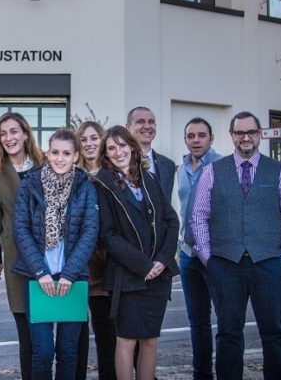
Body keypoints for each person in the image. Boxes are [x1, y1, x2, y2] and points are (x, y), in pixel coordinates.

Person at [190, 111, 281, 380]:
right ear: (232, 135)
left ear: (260, 135)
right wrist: (209, 258)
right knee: (228, 332)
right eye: (240, 132)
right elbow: (198, 217)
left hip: (270, 264)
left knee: (274, 332)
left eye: (251, 132)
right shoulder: (212, 171)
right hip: (225, 264)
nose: (246, 137)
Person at [93, 126, 179, 380]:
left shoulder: (147, 178)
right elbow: (107, 235)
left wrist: (163, 260)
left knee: (150, 340)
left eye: (122, 145)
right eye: (111, 148)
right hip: (128, 276)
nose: (118, 152)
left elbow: (171, 220)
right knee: (127, 340)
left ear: (132, 146)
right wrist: (144, 265)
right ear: (106, 155)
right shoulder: (103, 183)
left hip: (159, 276)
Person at [13, 129, 99, 380]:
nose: (60, 158)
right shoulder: (30, 184)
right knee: (42, 352)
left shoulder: (85, 187)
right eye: (55, 152)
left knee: (68, 351)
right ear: (47, 154)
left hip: (73, 279)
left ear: (75, 157)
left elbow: (89, 231)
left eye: (66, 153)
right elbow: (21, 229)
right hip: (38, 278)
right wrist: (40, 272)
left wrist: (70, 274)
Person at [0, 111, 46, 380]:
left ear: (26, 134)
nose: (9, 138)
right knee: (27, 334)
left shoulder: (47, 165)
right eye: (3, 133)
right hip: (17, 262)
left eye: (14, 131)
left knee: (54, 335)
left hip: (52, 258)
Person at [177, 117, 223, 380]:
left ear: (211, 138)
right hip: (187, 255)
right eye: (191, 136)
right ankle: (201, 375)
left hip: (215, 255)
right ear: (186, 139)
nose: (196, 140)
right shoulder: (180, 169)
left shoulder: (222, 166)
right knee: (198, 322)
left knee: (226, 320)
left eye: (201, 135)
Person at [76, 121, 114, 380]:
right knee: (75, 337)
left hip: (106, 268)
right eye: (83, 139)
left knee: (106, 334)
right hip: (76, 267)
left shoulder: (113, 175)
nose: (89, 143)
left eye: (94, 138)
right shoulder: (70, 175)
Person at [126, 106, 177, 203]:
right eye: (140, 121)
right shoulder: (119, 161)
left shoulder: (168, 165)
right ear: (128, 127)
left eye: (151, 122)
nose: (147, 126)